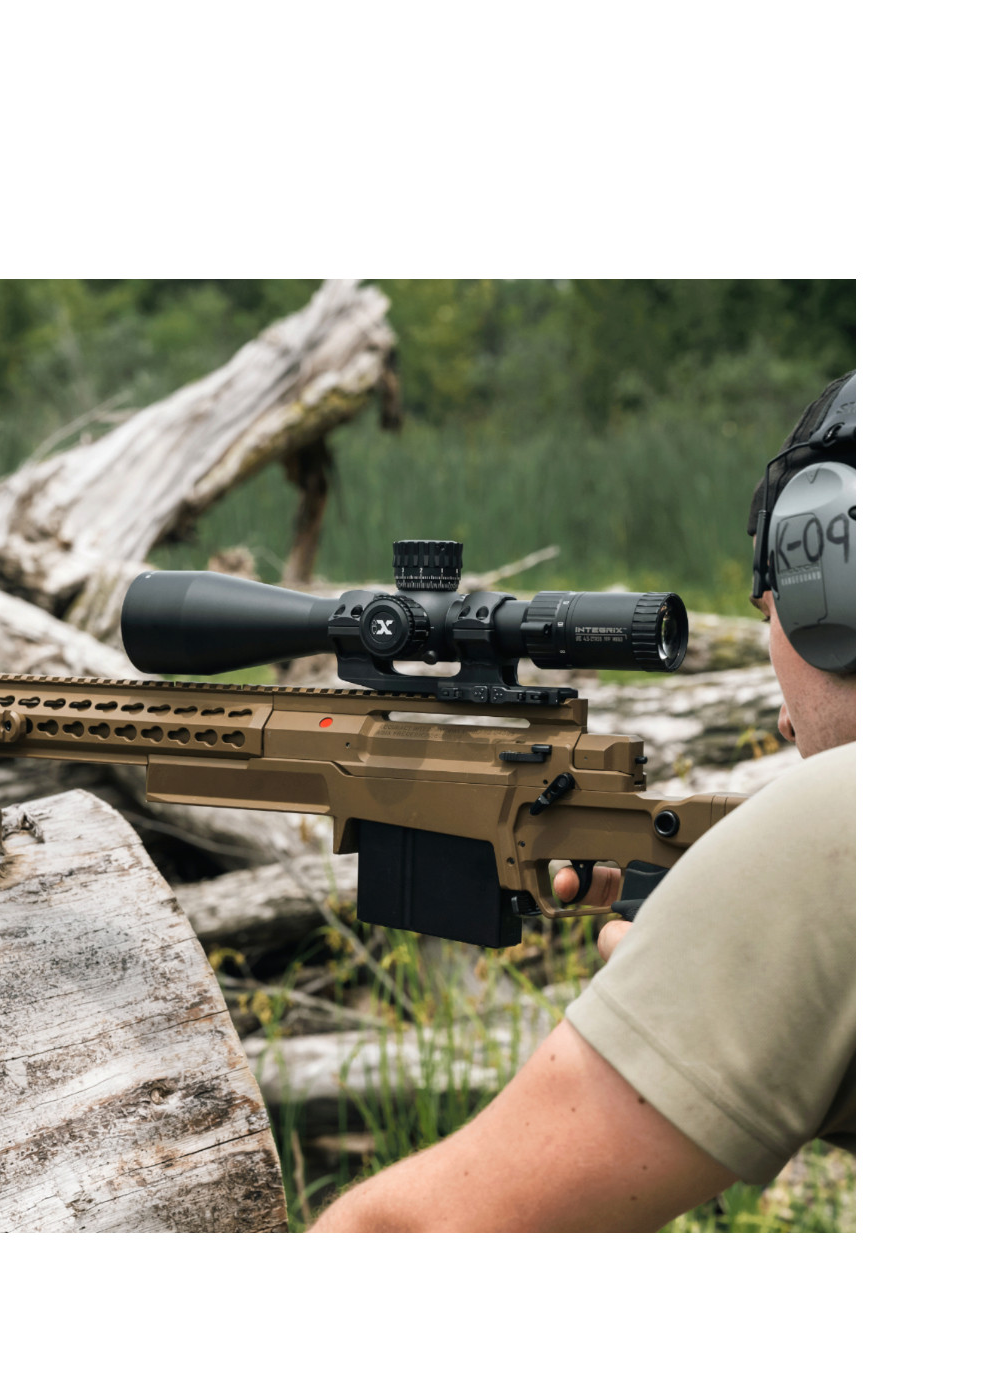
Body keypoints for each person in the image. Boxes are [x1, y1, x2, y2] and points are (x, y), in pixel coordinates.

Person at [311, 373, 857, 1232]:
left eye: (769, 614)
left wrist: (716, 993)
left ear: (833, 578)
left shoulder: (834, 820)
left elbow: (405, 1237)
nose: (784, 718)